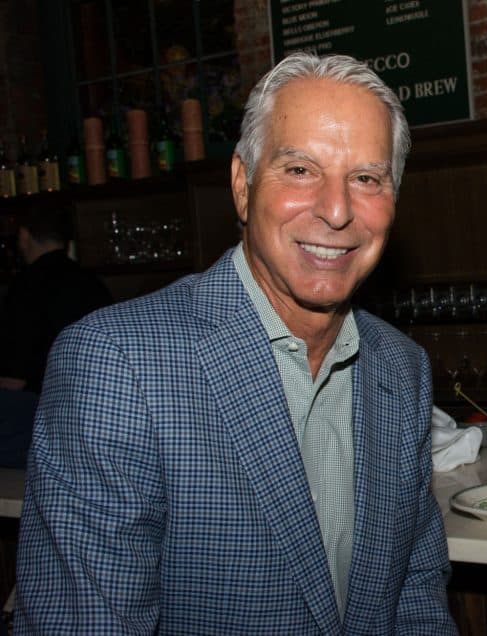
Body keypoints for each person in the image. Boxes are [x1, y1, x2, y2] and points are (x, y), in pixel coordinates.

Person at [16, 52, 457, 634]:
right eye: (300, 169)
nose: (337, 210)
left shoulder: (402, 368)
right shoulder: (117, 364)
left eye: (367, 179)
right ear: (242, 186)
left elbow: (416, 598)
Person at [0, 203, 112, 394]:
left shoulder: (27, 285)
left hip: (44, 399)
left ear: (24, 236)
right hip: (99, 390)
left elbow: (14, 377)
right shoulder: (92, 281)